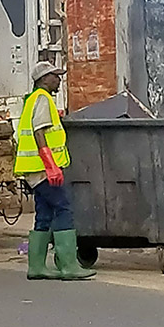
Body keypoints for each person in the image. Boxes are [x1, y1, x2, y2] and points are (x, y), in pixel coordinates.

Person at [14, 61, 96, 281]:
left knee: (44, 213)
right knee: (63, 208)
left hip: (34, 170)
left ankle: (37, 266)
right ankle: (69, 265)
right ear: (43, 79)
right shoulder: (42, 99)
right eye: (55, 76)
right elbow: (39, 132)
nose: (58, 80)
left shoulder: (32, 99)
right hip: (42, 169)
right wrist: (51, 165)